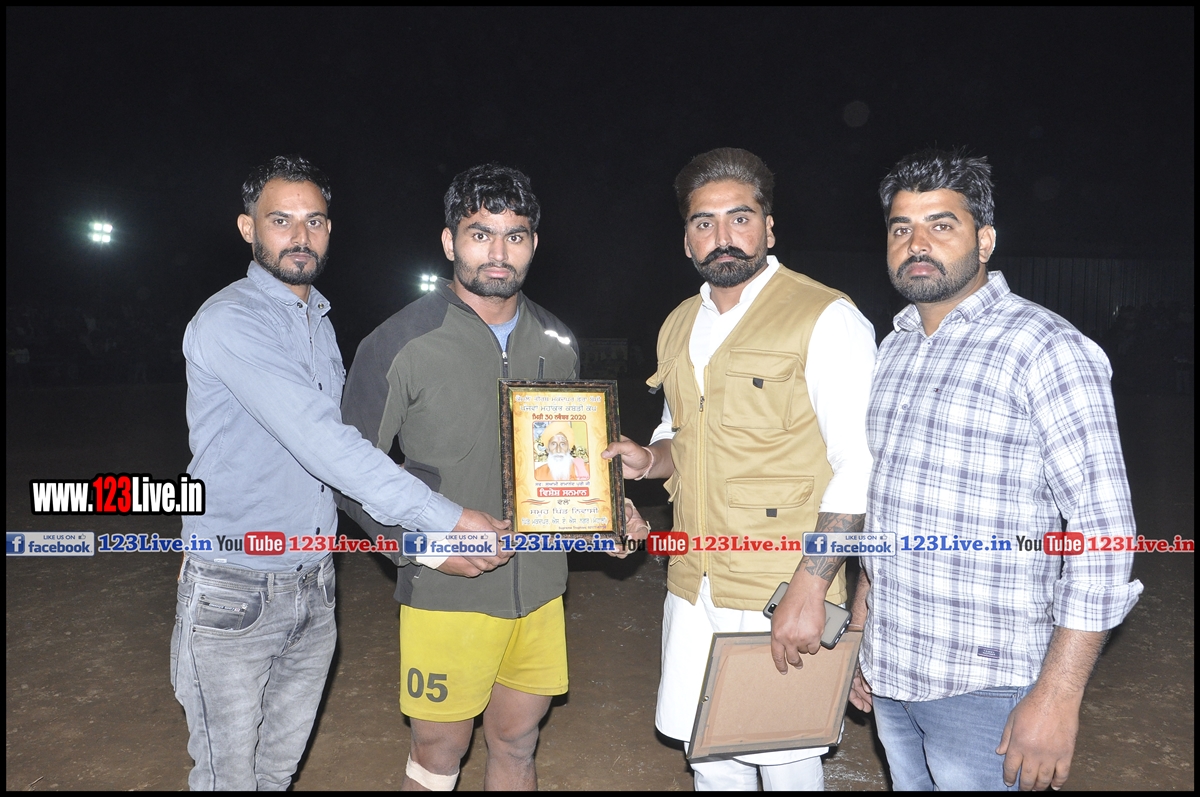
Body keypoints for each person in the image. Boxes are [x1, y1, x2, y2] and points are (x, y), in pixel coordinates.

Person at [173, 155, 507, 791]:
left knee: (277, 771)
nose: (300, 236)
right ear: (247, 228)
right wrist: (447, 519)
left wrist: (428, 534)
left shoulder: (316, 322)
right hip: (234, 587)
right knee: (227, 779)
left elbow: (346, 456)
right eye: (280, 220)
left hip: (314, 582)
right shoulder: (231, 320)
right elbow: (324, 444)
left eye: (315, 221)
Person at [338, 164, 647, 791]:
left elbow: (567, 457)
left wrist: (610, 512)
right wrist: (426, 549)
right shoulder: (398, 342)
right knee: (438, 753)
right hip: (446, 589)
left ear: (534, 244)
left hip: (540, 588)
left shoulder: (558, 340)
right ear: (449, 241)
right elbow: (347, 474)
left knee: (517, 742)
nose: (498, 252)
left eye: (515, 235)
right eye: (480, 234)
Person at [849, 148, 1144, 791]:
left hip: (990, 686)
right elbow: (886, 504)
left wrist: (1057, 696)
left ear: (984, 241)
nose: (917, 243)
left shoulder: (1044, 347)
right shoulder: (893, 349)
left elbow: (1103, 534)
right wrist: (864, 636)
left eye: (941, 225)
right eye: (901, 228)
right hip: (894, 672)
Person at [602, 148, 876, 791]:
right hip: (693, 583)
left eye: (740, 218)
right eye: (704, 222)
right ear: (687, 238)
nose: (722, 235)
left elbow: (860, 463)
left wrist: (811, 586)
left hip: (779, 585)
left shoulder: (825, 317)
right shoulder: (678, 324)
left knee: (785, 763)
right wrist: (649, 459)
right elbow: (678, 435)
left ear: (769, 228)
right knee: (711, 759)